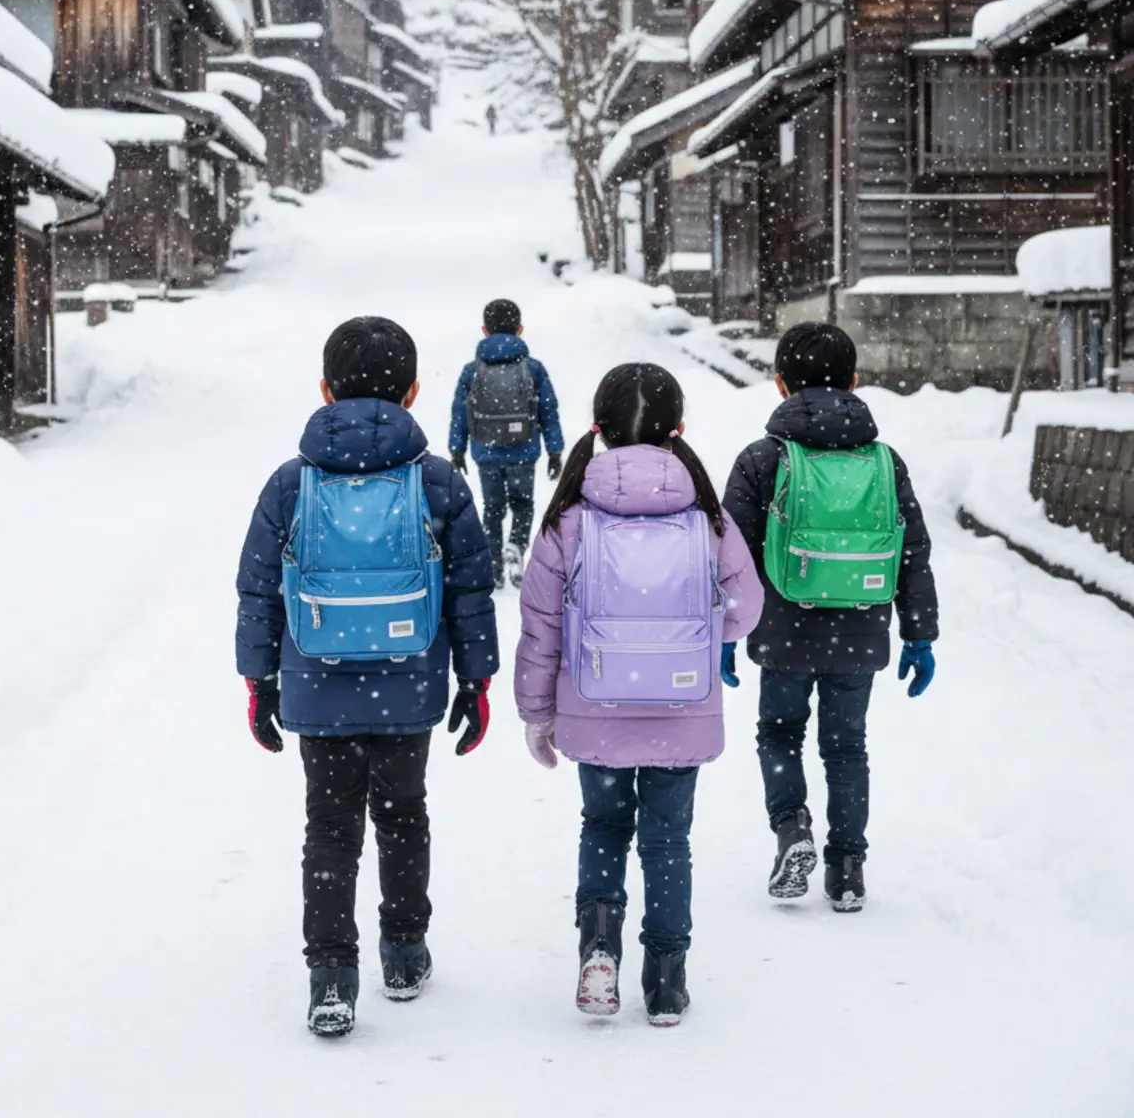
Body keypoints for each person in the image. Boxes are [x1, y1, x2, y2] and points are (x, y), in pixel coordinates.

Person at [235, 316, 499, 1038]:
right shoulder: (438, 482)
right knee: (403, 816)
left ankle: (330, 973)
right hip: (408, 683)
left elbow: (258, 591)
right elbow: (471, 590)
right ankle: (405, 951)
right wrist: (475, 682)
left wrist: (260, 682)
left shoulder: (291, 483)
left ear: (324, 389)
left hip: (317, 682)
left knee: (330, 826)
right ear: (413, 392)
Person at [515, 363, 763, 1026]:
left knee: (602, 825)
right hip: (680, 709)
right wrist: (699, 635)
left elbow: (540, 629)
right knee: (668, 839)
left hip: (595, 708)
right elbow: (747, 606)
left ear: (597, 430)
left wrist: (539, 713)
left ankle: (599, 950)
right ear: (678, 431)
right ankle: (667, 977)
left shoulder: (568, 521)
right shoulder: (706, 518)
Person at [722, 322, 939, 913]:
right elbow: (911, 550)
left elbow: (728, 554)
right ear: (854, 381)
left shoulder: (763, 458)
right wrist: (919, 634)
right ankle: (847, 870)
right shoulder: (884, 461)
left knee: (779, 734)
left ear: (780, 384)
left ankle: (792, 830)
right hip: (861, 627)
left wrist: (724, 630)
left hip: (782, 629)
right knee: (846, 748)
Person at [449, 299, 564, 590]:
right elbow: (548, 411)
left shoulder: (472, 370)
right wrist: (554, 450)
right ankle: (516, 545)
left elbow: (460, 412)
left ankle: (494, 562)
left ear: (484, 330)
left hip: (485, 451)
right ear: (520, 330)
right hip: (523, 450)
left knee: (492, 507)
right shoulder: (533, 369)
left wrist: (457, 449)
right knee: (523, 504)